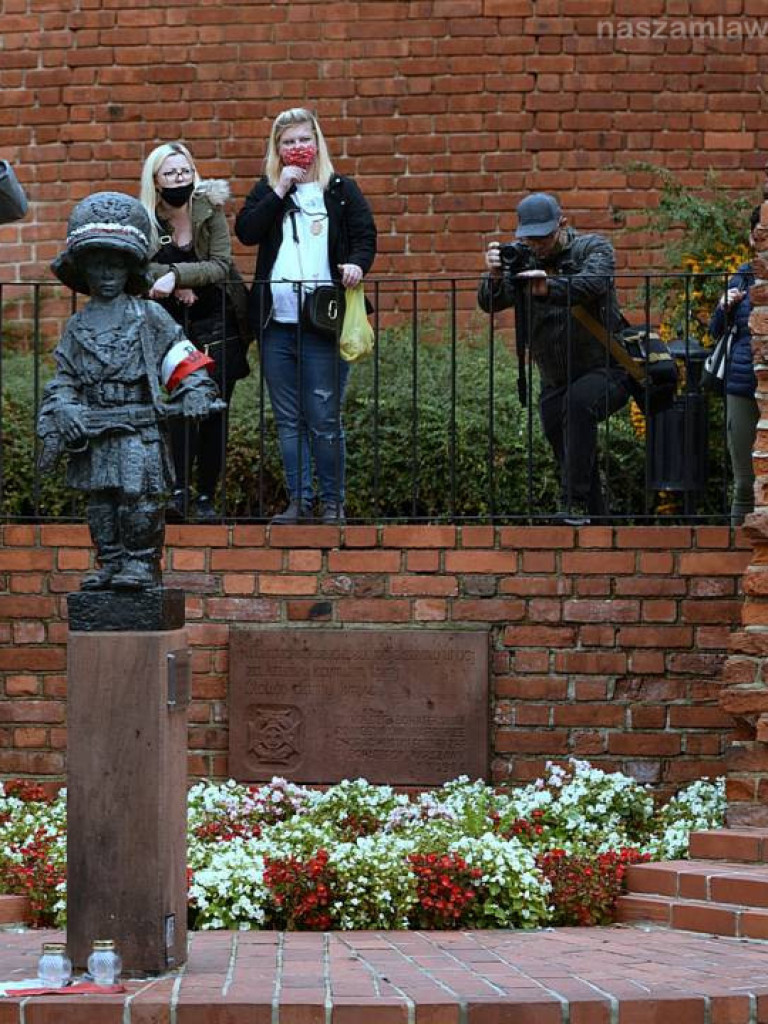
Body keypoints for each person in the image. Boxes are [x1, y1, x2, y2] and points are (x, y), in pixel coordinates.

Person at [37, 191, 222, 590]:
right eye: (98, 265)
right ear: (83, 270)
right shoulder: (76, 328)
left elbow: (182, 360)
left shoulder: (149, 316)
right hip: (94, 433)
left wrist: (193, 391)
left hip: (139, 431)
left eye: (115, 265)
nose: (106, 274)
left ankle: (139, 564)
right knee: (101, 505)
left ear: (129, 270)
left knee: (138, 500)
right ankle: (111, 562)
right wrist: (65, 409)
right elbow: (62, 382)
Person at [235, 107, 377, 524]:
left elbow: (365, 237)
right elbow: (247, 232)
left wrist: (356, 265)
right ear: (277, 150)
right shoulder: (267, 189)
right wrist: (280, 190)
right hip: (275, 324)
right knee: (288, 419)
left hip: (323, 323)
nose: (297, 148)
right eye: (288, 142)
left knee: (323, 416)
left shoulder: (340, 190)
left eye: (303, 139)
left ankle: (333, 502)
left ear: (317, 144)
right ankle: (300, 501)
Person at [478, 192, 630, 523]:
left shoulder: (593, 248)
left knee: (577, 406)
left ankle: (572, 504)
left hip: (607, 368)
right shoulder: (520, 257)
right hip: (555, 378)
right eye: (529, 238)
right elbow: (490, 302)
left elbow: (594, 282)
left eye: (543, 237)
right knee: (567, 445)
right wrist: (493, 275)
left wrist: (550, 287)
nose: (537, 245)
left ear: (562, 224)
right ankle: (599, 523)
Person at [140, 142, 252, 521]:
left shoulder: (209, 208)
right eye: (170, 173)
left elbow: (220, 265)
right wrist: (171, 281)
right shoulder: (146, 217)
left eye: (185, 171)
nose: (179, 179)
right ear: (155, 180)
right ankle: (176, 492)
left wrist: (177, 275)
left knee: (214, 412)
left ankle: (206, 496)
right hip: (171, 329)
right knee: (178, 412)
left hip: (219, 323)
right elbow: (139, 266)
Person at [708, 205, 760, 526]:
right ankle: (737, 556)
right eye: (758, 236)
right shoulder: (742, 275)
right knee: (744, 482)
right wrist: (723, 308)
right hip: (742, 384)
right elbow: (715, 332)